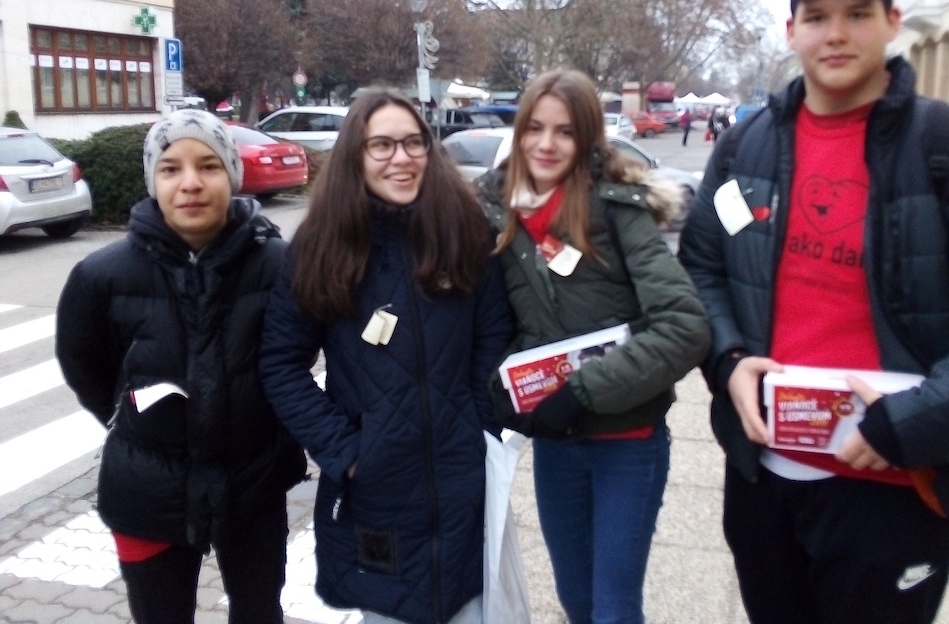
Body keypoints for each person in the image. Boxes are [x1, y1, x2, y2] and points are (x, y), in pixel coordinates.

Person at [678, 0, 949, 624]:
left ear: (893, 21)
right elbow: (702, 268)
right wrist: (728, 359)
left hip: (894, 488)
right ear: (791, 30)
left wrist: (913, 423)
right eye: (817, 16)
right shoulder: (744, 149)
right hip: (765, 478)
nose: (836, 33)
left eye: (857, 13)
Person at [258, 88, 514, 624]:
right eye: (382, 145)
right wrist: (347, 450)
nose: (401, 158)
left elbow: (492, 343)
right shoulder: (321, 246)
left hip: (462, 487)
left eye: (413, 143)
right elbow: (281, 364)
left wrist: (478, 430)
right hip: (376, 492)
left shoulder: (465, 233)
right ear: (356, 156)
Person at [474, 69, 710, 624]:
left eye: (565, 132)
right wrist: (503, 390)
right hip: (556, 446)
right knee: (577, 601)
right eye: (535, 128)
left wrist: (582, 392)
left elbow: (685, 327)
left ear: (587, 139)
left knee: (613, 610)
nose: (546, 144)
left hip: (627, 444)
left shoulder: (618, 210)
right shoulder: (498, 214)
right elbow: (493, 324)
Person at [55, 110, 307, 624]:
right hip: (146, 491)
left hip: (255, 483)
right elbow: (84, 362)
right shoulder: (101, 275)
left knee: (260, 612)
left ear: (232, 175)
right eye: (170, 169)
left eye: (209, 166)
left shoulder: (280, 267)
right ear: (153, 180)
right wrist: (129, 415)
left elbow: (296, 358)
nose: (190, 183)